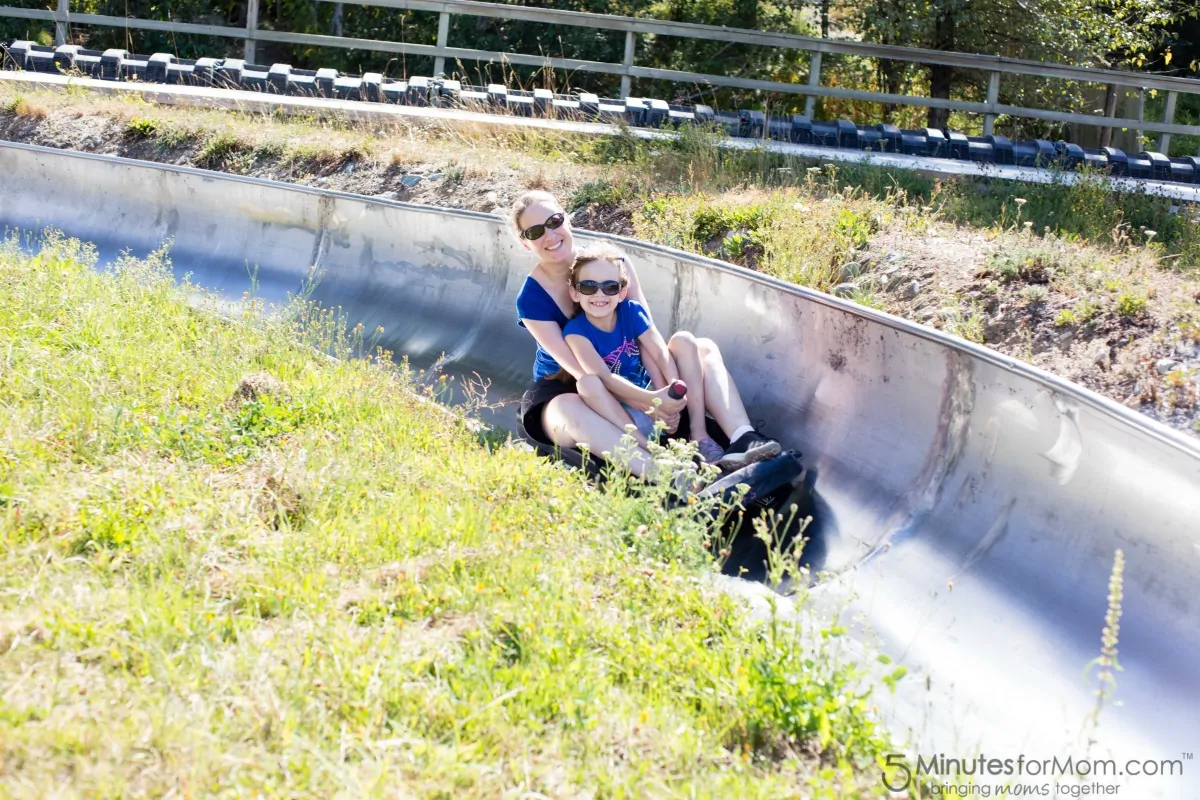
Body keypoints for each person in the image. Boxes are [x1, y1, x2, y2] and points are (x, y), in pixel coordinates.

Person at [511, 190, 781, 478]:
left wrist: (665, 396)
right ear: (525, 243)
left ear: (568, 221)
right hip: (572, 387)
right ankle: (664, 472)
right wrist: (648, 402)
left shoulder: (612, 263)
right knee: (572, 402)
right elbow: (584, 373)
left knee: (700, 347)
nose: (550, 235)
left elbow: (644, 337)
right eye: (536, 231)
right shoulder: (532, 300)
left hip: (628, 371)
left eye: (554, 221)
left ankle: (742, 437)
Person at [563, 244, 726, 463]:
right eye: (589, 286)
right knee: (588, 383)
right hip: (626, 416)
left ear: (621, 292)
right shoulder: (575, 332)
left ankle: (700, 435)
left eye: (610, 287)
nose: (600, 294)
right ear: (574, 292)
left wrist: (672, 395)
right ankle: (649, 450)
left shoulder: (630, 311)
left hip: (658, 399)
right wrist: (653, 402)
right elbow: (606, 378)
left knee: (685, 340)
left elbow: (659, 352)